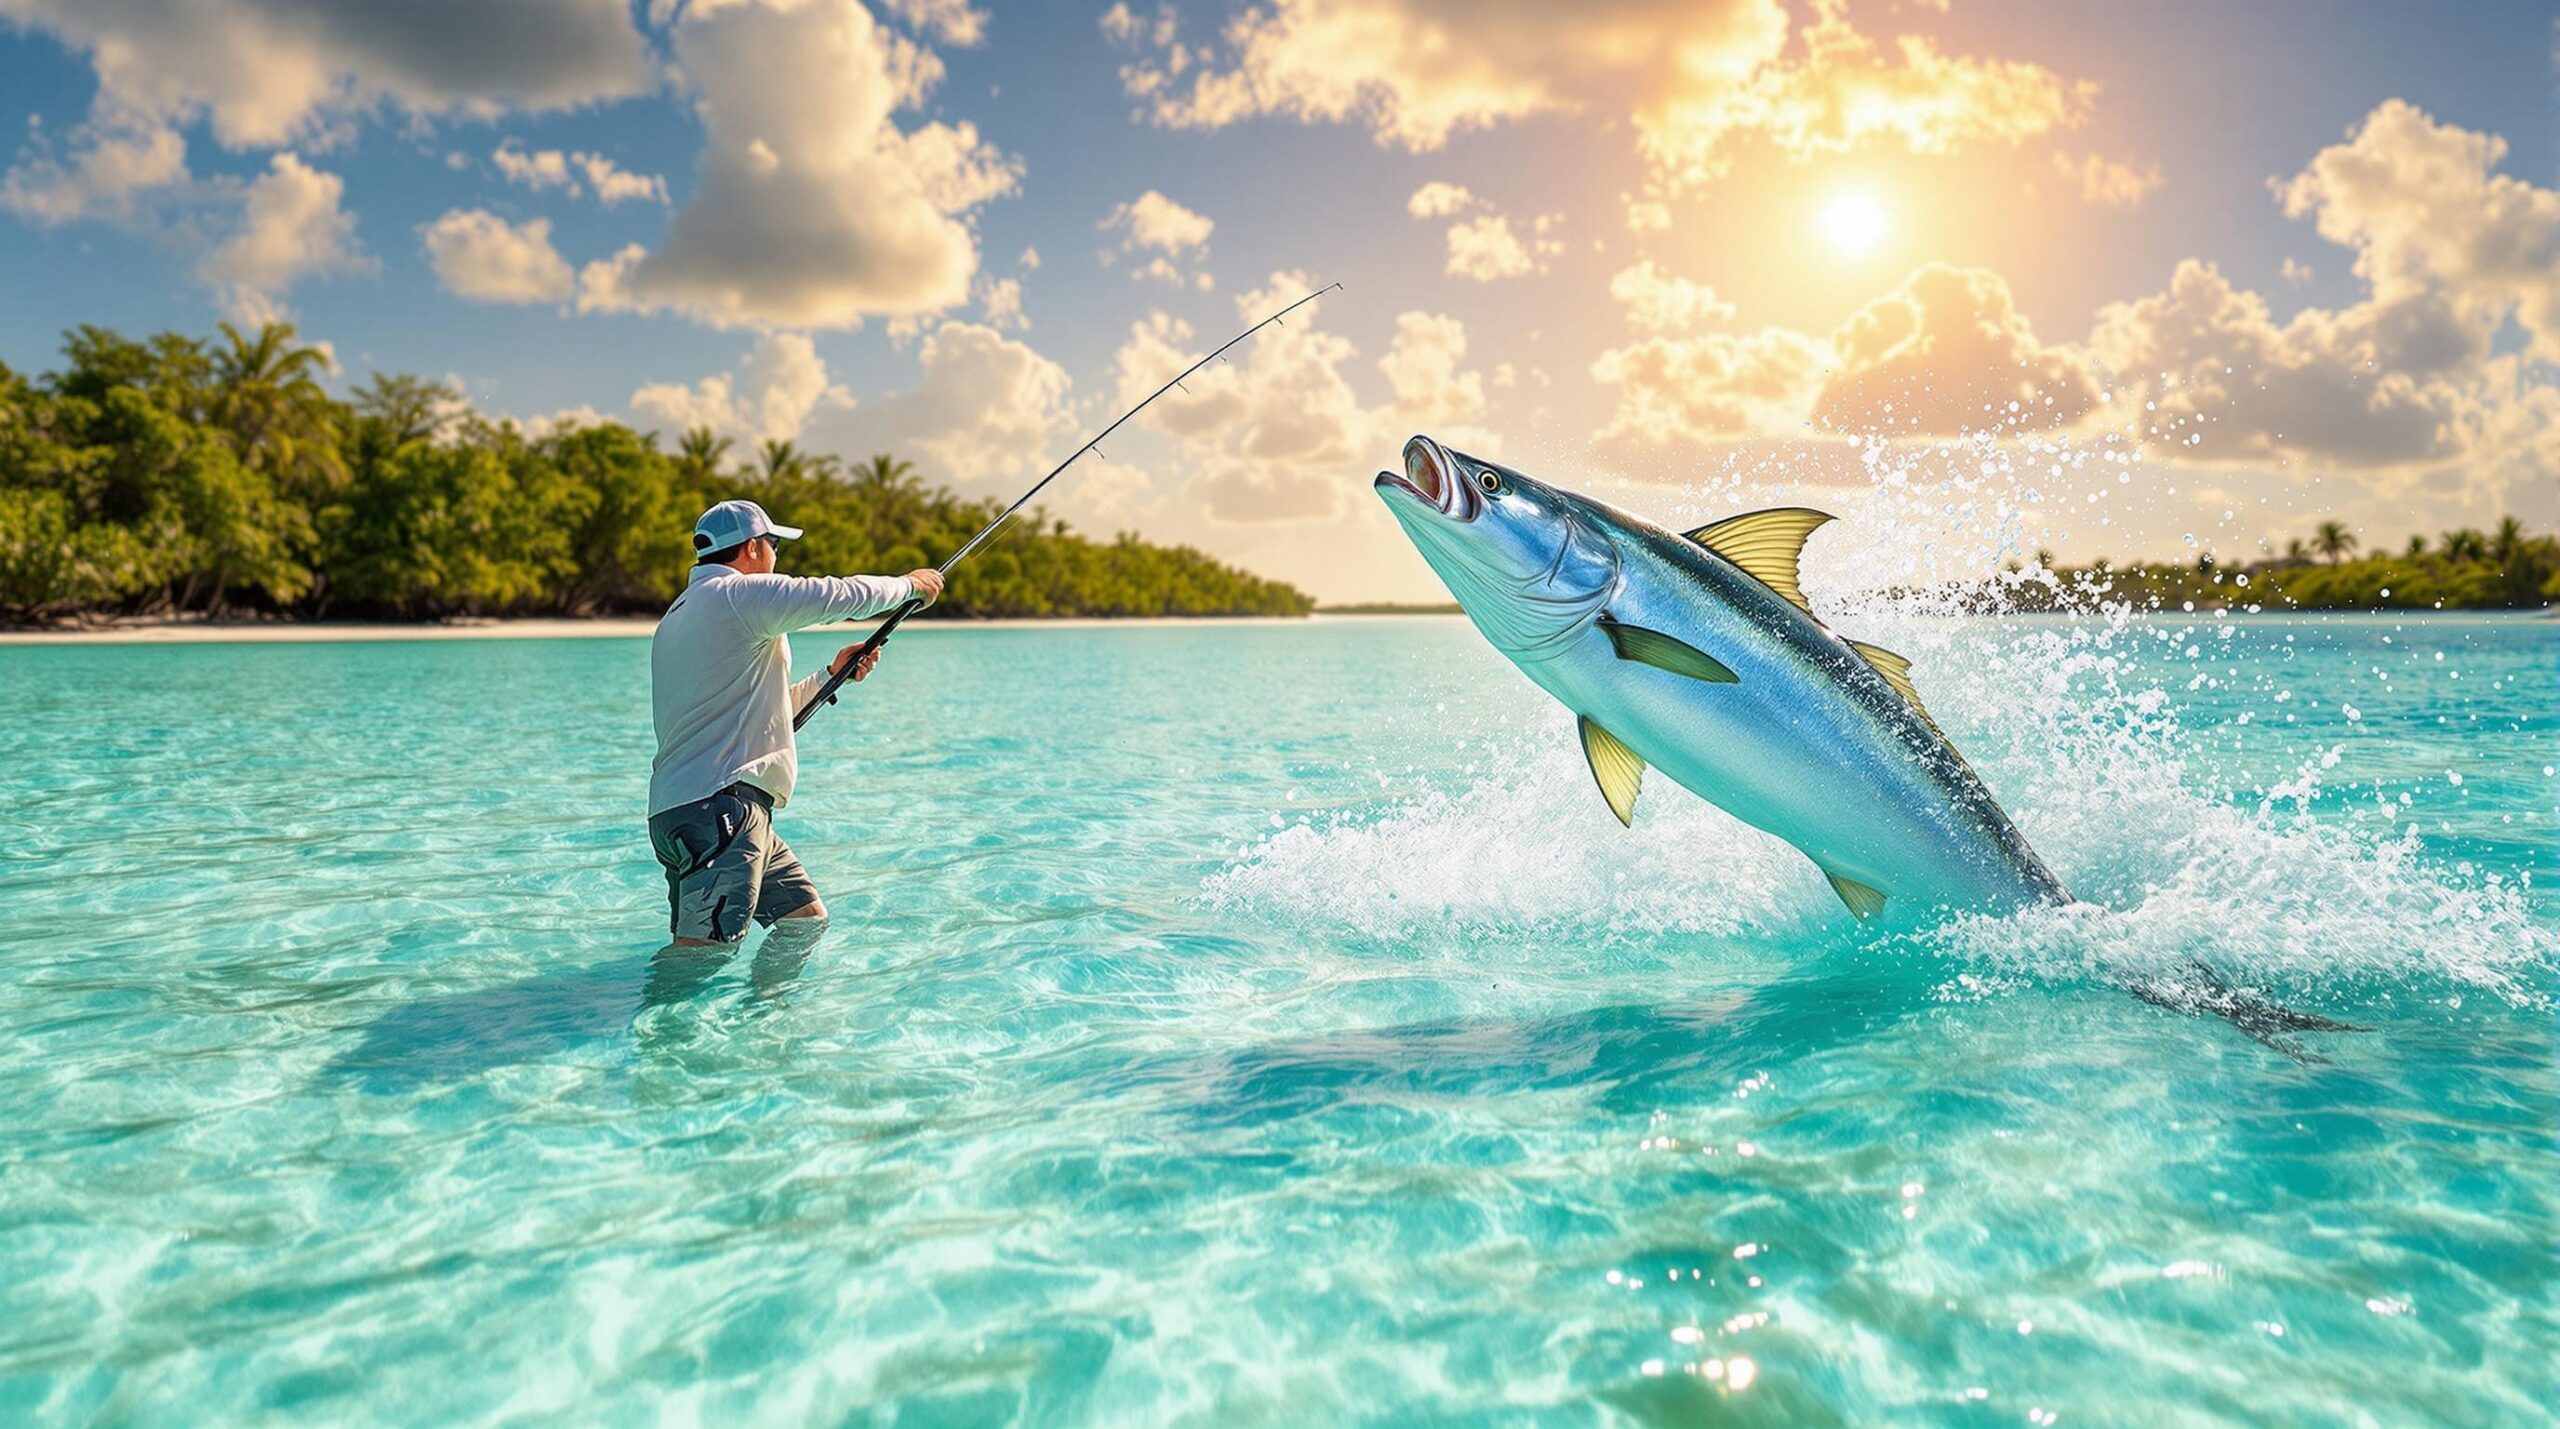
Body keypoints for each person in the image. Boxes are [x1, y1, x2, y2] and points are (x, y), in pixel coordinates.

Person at [646, 498, 945, 955]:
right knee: (701, 959)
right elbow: (837, 595)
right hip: (723, 810)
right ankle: (667, 1028)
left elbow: (759, 713)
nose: (776, 555)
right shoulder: (738, 596)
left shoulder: (681, 613)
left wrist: (830, 674)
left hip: (686, 809)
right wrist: (909, 586)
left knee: (803, 923)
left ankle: (764, 1023)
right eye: (771, 544)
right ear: (750, 549)